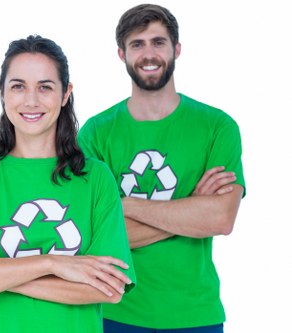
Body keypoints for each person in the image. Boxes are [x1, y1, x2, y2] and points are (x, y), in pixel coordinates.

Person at [0, 35, 136, 333]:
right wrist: (53, 264)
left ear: (65, 93)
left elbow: (109, 287)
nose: (31, 100)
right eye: (18, 86)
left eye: (45, 87)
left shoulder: (95, 179)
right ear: (2, 92)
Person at [78, 4, 245, 333]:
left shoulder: (217, 126)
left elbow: (221, 219)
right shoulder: (95, 133)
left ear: (177, 49)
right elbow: (94, 236)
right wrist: (192, 208)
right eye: (137, 44)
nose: (148, 53)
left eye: (158, 42)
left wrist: (123, 206)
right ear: (121, 54)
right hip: (116, 309)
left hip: (195, 312)